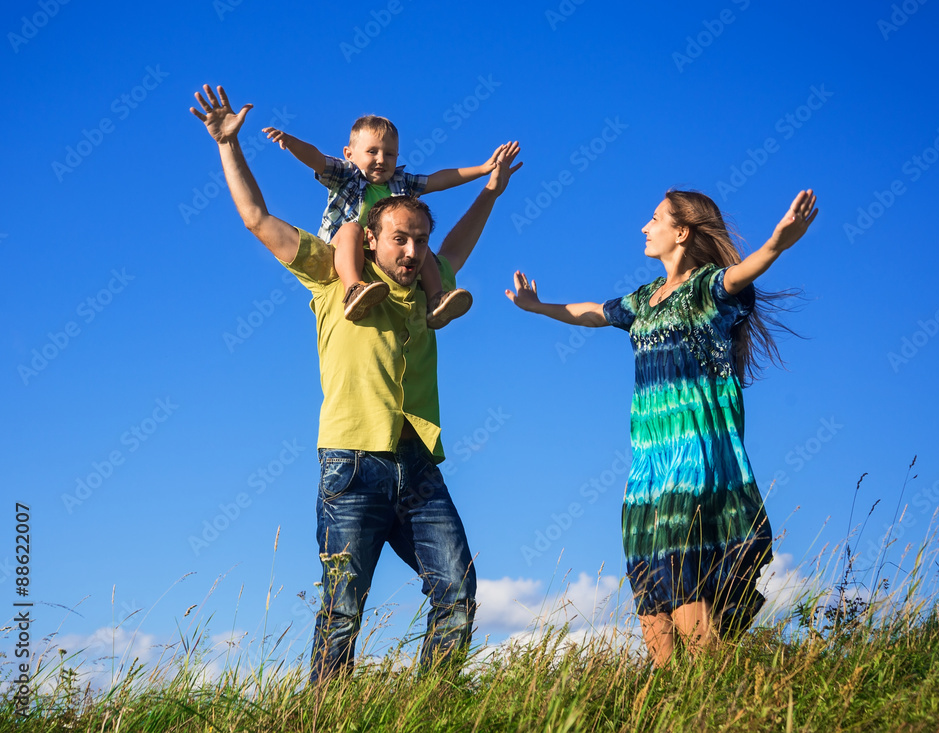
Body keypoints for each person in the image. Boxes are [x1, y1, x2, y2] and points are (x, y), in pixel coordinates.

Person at [189, 84, 521, 680]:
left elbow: (457, 245)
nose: (415, 250)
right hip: (351, 462)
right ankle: (326, 711)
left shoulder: (429, 284)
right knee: (343, 611)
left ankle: (433, 707)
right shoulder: (329, 275)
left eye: (420, 241)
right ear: (371, 237)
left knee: (458, 593)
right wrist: (229, 147)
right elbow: (257, 220)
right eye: (402, 238)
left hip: (417, 461)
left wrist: (490, 192)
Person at [505, 188, 818, 664]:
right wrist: (539, 306)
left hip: (695, 449)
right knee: (646, 565)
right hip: (649, 457)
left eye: (654, 219)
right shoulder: (645, 300)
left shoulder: (707, 287)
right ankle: (667, 693)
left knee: (681, 558)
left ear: (682, 232)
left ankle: (710, 688)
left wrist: (777, 242)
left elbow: (742, 272)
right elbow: (592, 313)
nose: (644, 228)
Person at [262, 117, 509, 328]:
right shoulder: (346, 175)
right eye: (372, 152)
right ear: (349, 154)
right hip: (343, 248)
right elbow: (317, 158)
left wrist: (481, 169)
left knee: (420, 248)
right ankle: (353, 289)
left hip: (383, 251)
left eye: (389, 154)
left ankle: (436, 300)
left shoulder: (400, 183)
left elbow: (437, 180)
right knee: (353, 229)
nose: (381, 159)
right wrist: (291, 143)